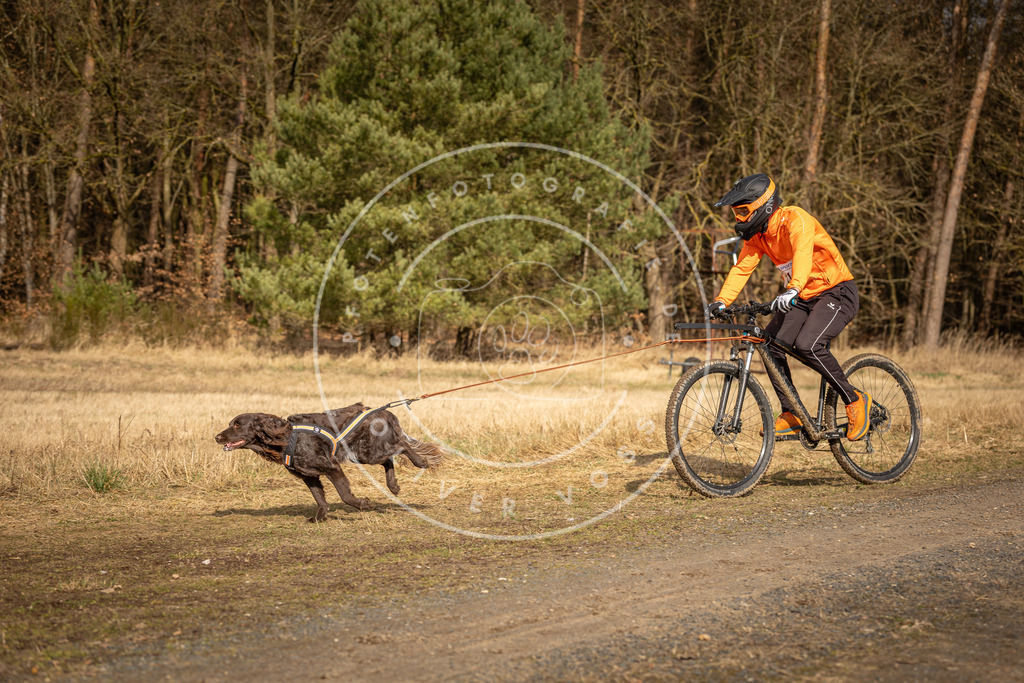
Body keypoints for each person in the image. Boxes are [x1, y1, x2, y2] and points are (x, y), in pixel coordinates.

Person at [705, 173, 872, 441]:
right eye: (735, 213)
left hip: (836, 291)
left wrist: (793, 287)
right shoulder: (759, 237)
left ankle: (855, 399)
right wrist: (722, 301)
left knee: (809, 344)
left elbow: (803, 253)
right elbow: (742, 267)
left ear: (764, 204)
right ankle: (792, 412)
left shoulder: (796, 219)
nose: (738, 218)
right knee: (770, 346)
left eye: (743, 211)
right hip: (802, 296)